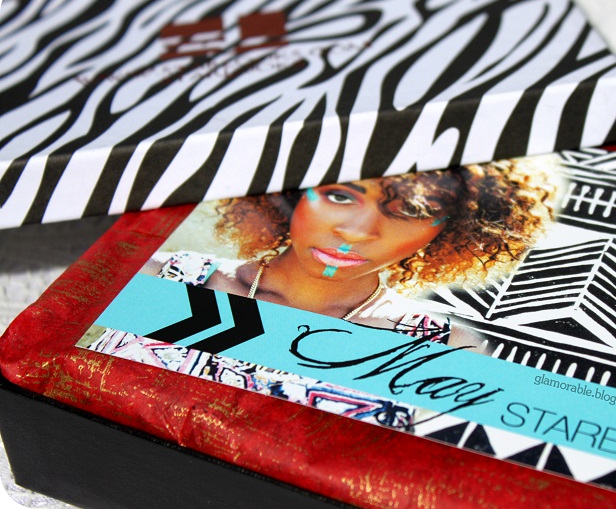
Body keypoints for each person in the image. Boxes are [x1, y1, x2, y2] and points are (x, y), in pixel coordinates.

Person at [93, 157, 557, 428]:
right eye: (339, 195)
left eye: (412, 210)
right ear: (292, 191)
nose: (356, 231)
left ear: (453, 229)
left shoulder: (445, 349)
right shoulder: (160, 278)